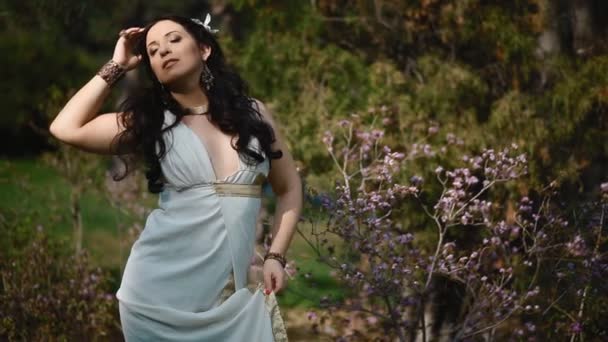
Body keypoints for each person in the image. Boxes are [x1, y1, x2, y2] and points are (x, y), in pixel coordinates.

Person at [49, 13, 302, 341]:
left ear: (204, 50)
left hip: (227, 299)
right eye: (153, 51)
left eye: (174, 40)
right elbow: (65, 128)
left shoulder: (253, 114)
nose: (163, 51)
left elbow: (289, 188)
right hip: (155, 297)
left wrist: (276, 256)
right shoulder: (150, 122)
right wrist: (116, 66)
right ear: (152, 69)